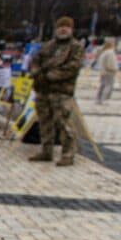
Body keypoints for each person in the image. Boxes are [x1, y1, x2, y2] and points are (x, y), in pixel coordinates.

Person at [29, 16, 84, 166]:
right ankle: (46, 151)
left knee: (63, 123)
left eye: (66, 26)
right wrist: (37, 74)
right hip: (43, 89)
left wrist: (50, 76)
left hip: (61, 91)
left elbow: (73, 67)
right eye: (60, 26)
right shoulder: (47, 46)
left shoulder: (75, 47)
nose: (63, 29)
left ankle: (68, 153)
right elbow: (35, 61)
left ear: (71, 29)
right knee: (44, 122)